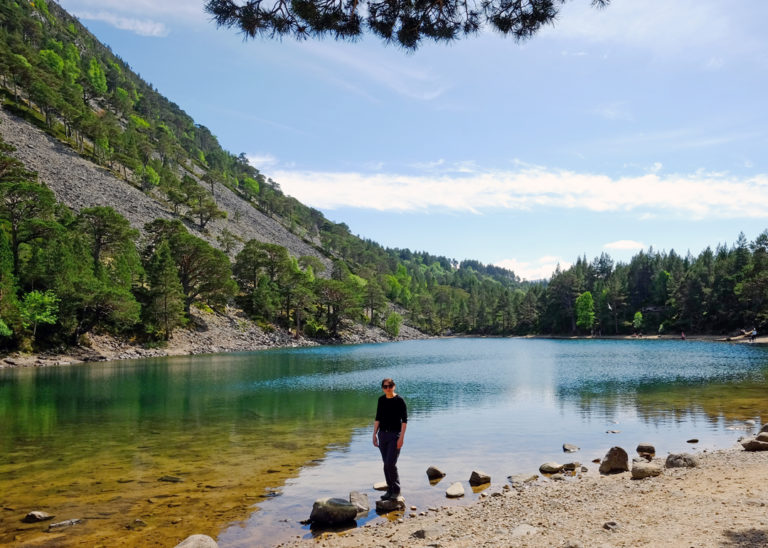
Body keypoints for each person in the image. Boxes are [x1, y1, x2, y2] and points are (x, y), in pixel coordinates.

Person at [372, 378, 407, 501]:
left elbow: (404, 421)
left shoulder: (399, 400)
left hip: (395, 435)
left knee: (390, 464)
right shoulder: (381, 400)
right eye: (385, 386)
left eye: (390, 386)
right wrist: (374, 435)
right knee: (386, 464)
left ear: (394, 386)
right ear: (382, 388)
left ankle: (396, 490)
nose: (388, 388)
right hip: (382, 435)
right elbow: (378, 418)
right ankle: (390, 489)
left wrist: (401, 438)